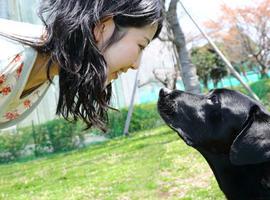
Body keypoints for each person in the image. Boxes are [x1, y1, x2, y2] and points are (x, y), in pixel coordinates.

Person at [0, 0, 164, 131]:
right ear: (103, 26)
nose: (136, 65)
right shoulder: (8, 56)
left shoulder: (44, 69)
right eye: (141, 46)